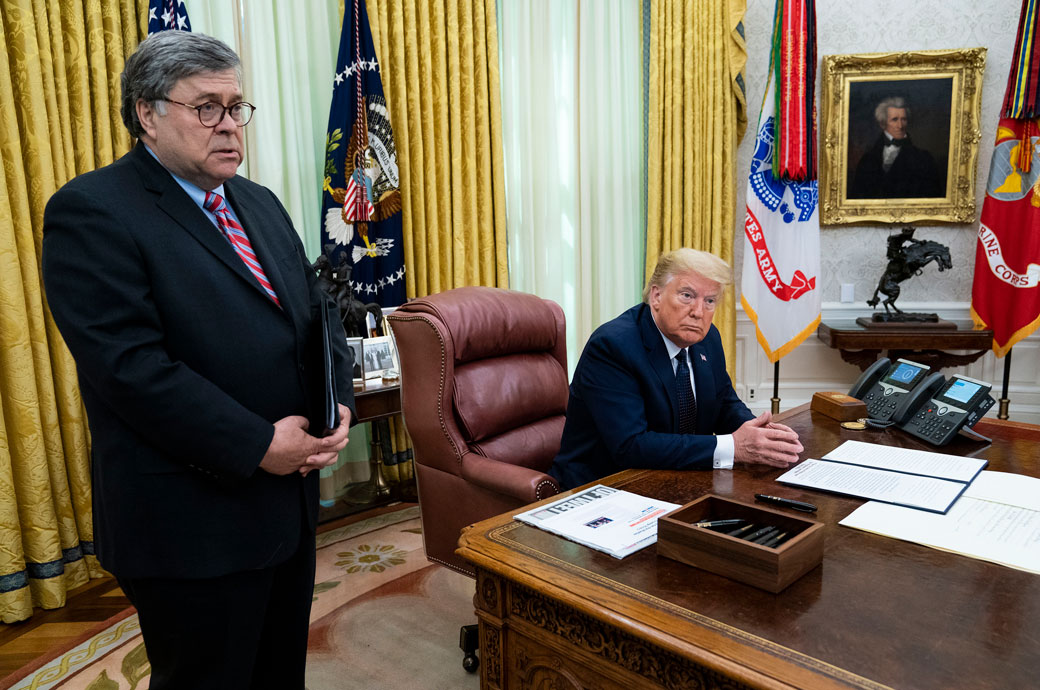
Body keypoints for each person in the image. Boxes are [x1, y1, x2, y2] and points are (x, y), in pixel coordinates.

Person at [41, 32, 355, 689]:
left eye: (237, 106)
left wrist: (338, 400)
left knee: (275, 674)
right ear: (146, 114)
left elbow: (317, 311)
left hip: (284, 505)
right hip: (191, 521)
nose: (229, 126)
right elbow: (130, 368)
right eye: (205, 107)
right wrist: (256, 443)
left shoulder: (259, 203)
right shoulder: (92, 212)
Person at [549, 249, 803, 490]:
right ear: (656, 296)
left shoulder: (707, 338)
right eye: (687, 296)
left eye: (710, 301)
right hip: (607, 486)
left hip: (679, 477)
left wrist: (759, 434)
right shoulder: (613, 346)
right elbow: (631, 446)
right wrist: (734, 446)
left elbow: (723, 402)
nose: (698, 312)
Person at [849, 96, 944, 199]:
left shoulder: (924, 159)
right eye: (894, 120)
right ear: (882, 124)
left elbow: (932, 197)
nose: (900, 125)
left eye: (903, 119)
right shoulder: (867, 160)